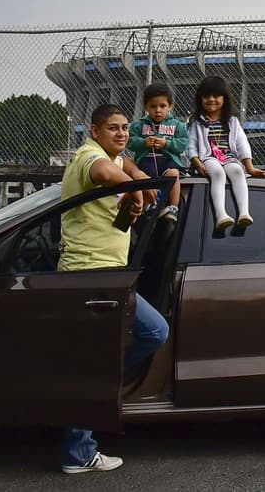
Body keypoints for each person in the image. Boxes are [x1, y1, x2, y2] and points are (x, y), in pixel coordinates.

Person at [58, 103, 167, 475]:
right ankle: (78, 450)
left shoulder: (114, 158)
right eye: (113, 128)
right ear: (94, 131)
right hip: (91, 276)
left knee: (98, 359)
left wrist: (137, 178)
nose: (121, 133)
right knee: (150, 333)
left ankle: (85, 425)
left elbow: (122, 165)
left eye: (124, 128)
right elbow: (104, 171)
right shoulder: (88, 158)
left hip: (106, 277)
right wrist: (135, 192)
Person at [186, 75, 265, 231]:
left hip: (228, 157)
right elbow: (190, 146)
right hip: (208, 158)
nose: (211, 99)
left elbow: (242, 144)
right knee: (218, 173)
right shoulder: (197, 122)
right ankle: (221, 215)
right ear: (200, 99)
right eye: (206, 96)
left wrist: (249, 167)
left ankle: (244, 213)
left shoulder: (232, 122)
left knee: (237, 171)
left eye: (216, 96)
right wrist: (197, 163)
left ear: (224, 99)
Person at [126, 83, 189, 221]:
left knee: (173, 174)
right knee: (147, 177)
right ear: (146, 107)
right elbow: (129, 141)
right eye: (153, 106)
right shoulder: (139, 125)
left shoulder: (177, 125)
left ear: (170, 106)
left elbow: (183, 143)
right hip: (146, 160)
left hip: (168, 160)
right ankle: (151, 205)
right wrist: (143, 142)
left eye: (162, 106)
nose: (158, 110)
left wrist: (167, 143)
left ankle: (173, 207)